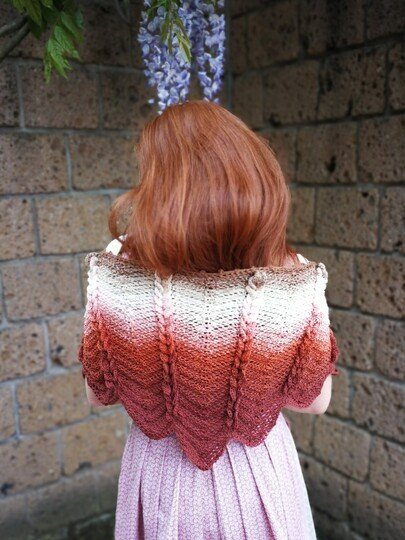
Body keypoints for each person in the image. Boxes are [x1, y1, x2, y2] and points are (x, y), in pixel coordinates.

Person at [78, 100, 340, 539]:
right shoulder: (292, 273)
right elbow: (314, 400)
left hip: (158, 473)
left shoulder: (118, 262)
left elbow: (97, 392)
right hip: (257, 475)